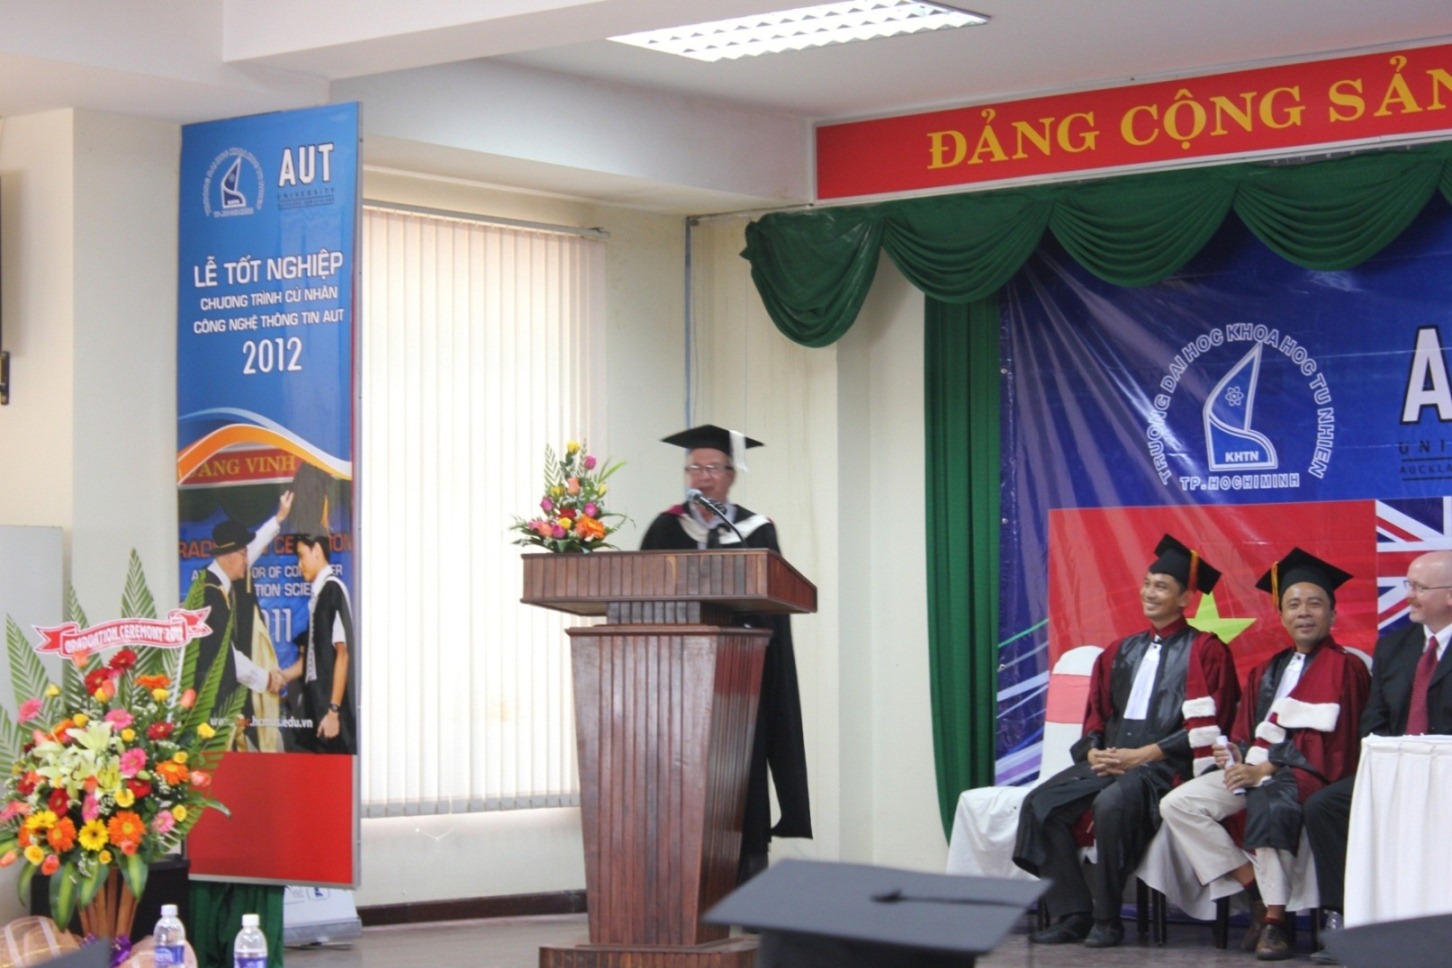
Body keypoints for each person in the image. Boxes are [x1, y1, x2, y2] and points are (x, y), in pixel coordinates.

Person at [1013, 534, 1239, 948]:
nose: (1149, 593)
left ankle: (1108, 917)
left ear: (1185, 598)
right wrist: (1095, 752)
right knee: (1041, 803)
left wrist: (1146, 755)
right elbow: (1097, 715)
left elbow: (1213, 722)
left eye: (1161, 587)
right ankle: (1073, 913)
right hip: (1114, 760)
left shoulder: (1206, 651)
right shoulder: (1120, 651)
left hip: (1164, 767)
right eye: (1147, 583)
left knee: (1112, 804)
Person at [1159, 548, 1369, 961]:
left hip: (1310, 774)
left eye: (1314, 604)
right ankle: (1253, 888)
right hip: (1257, 769)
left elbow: (1335, 741)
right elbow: (1244, 731)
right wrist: (1234, 757)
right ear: (1282, 615)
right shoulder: (1266, 670)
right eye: (1293, 604)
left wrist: (1266, 770)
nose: (1303, 612)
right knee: (1178, 804)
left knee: (1271, 802)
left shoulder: (1345, 667)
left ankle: (1275, 920)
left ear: (1332, 614)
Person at [640, 424, 811, 883]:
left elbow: (773, 606)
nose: (703, 477)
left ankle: (746, 880)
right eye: (694, 468)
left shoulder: (755, 531)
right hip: (676, 682)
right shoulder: (665, 527)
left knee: (741, 775)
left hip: (740, 679)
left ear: (732, 474)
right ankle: (675, 882)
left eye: (713, 467)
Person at [1303, 549, 1452, 965]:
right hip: (1397, 773)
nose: (1409, 595)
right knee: (1325, 806)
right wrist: (1392, 764)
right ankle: (1344, 915)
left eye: (1419, 587)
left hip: (1447, 777)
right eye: (1408, 585)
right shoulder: (1394, 647)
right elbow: (1375, 719)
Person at [199, 491, 293, 751]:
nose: (247, 559)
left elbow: (255, 545)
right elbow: (226, 658)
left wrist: (278, 518)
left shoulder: (219, 580)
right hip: (212, 708)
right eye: (243, 554)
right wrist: (266, 680)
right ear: (230, 556)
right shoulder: (208, 596)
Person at [280, 533, 357, 754]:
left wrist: (333, 711)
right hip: (315, 709)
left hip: (332, 715)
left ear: (317, 551)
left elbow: (343, 654)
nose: (299, 564)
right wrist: (282, 676)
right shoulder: (318, 595)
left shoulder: (333, 589)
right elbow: (313, 659)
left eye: (301, 555)